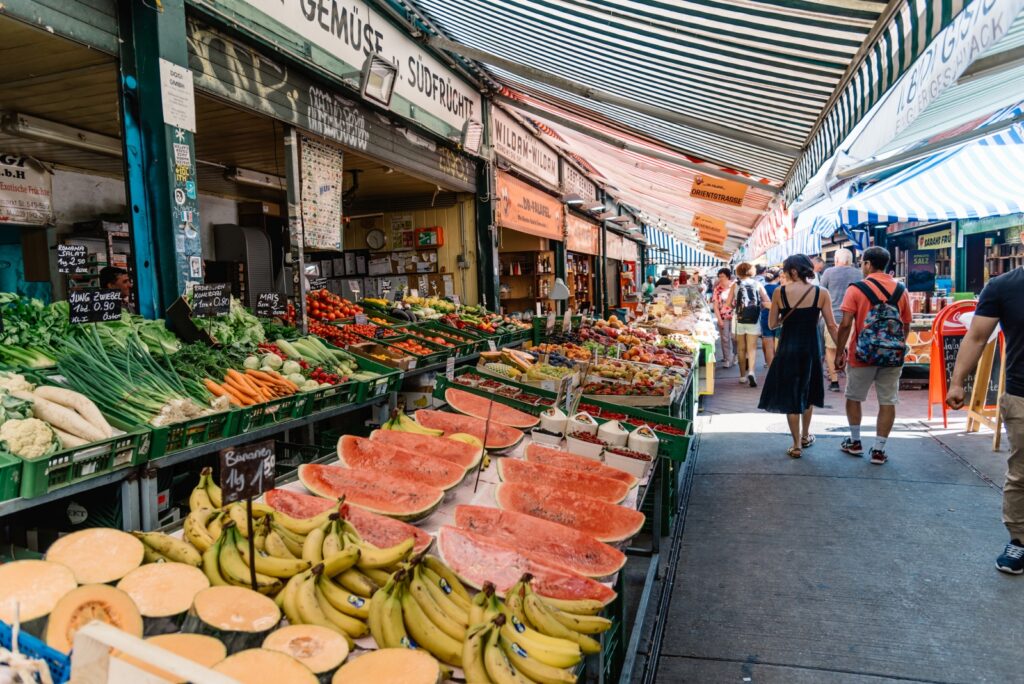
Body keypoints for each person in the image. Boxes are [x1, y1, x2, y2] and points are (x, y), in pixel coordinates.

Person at [946, 266, 1024, 574]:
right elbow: (977, 336)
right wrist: (957, 381)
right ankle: (1019, 541)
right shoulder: (1004, 287)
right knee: (1021, 471)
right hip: (1021, 395)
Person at [833, 246, 911, 466]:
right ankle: (878, 450)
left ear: (867, 264)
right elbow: (906, 326)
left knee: (854, 397)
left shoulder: (856, 289)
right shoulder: (901, 290)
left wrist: (840, 352)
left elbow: (846, 324)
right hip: (892, 356)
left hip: (861, 354)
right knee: (888, 401)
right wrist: (896, 346)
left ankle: (855, 442)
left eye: (862, 263)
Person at [758, 254, 839, 458]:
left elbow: (771, 324)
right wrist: (841, 349)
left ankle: (795, 445)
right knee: (808, 390)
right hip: (811, 348)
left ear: (792, 271)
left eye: (785, 269)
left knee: (790, 394)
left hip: (787, 348)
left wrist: (784, 318)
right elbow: (831, 324)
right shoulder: (821, 293)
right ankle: (805, 435)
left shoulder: (779, 292)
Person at [819, 248, 863, 392]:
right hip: (853, 319)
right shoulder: (859, 274)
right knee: (851, 350)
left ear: (836, 260)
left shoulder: (828, 273)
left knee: (831, 350)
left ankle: (834, 381)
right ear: (850, 261)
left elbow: (821, 292)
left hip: (832, 318)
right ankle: (852, 380)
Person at [727, 262, 771, 387]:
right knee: (752, 348)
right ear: (752, 271)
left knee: (741, 348)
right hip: (754, 318)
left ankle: (742, 376)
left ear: (738, 272)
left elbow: (728, 304)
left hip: (739, 319)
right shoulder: (757, 284)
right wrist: (760, 306)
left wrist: (735, 306)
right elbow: (766, 300)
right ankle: (751, 371)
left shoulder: (735, 285)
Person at [712, 268, 736, 368]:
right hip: (723, 316)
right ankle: (727, 359)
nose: (721, 278)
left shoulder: (734, 286)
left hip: (735, 316)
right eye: (719, 276)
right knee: (725, 338)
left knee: (735, 338)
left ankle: (736, 355)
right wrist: (719, 319)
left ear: (728, 276)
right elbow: (715, 306)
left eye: (723, 276)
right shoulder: (717, 289)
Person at [760, 268, 781, 367]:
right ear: (778, 277)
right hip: (779, 318)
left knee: (768, 344)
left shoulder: (763, 288)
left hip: (765, 317)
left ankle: (770, 368)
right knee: (778, 344)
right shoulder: (780, 288)